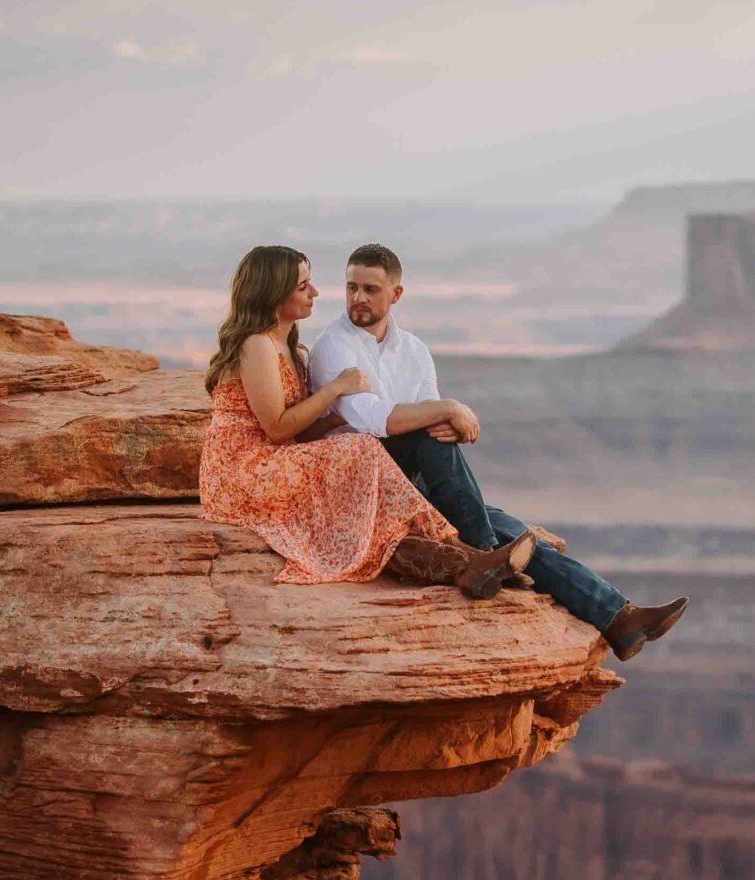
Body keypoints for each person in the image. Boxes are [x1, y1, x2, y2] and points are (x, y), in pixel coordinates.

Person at [307, 242, 688, 661]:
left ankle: (619, 619)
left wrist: (441, 416)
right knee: (436, 451)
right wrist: (452, 408)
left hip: (410, 478)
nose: (357, 298)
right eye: (351, 287)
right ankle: (488, 552)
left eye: (370, 289)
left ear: (395, 295)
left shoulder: (413, 350)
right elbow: (371, 419)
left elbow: (432, 421)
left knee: (513, 530)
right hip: (362, 478)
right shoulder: (334, 347)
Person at [199, 244, 536, 596]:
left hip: (274, 461)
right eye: (302, 286)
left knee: (363, 464)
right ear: (273, 291)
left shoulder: (293, 348)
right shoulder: (257, 344)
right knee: (363, 450)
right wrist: (336, 389)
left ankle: (470, 563)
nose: (314, 292)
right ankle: (477, 555)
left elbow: (298, 435)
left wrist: (333, 421)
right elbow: (277, 429)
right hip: (242, 471)